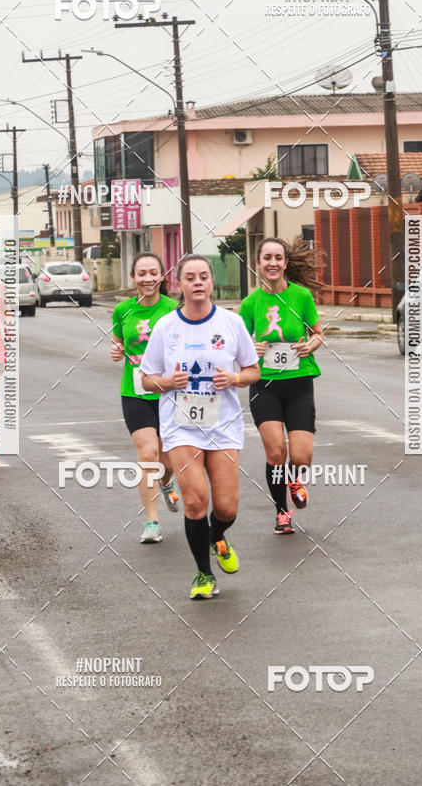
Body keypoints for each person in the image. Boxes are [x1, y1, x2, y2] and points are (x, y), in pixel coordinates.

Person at [140, 254, 260, 599]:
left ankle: (217, 534)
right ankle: (204, 575)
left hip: (223, 425)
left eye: (203, 276)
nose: (197, 282)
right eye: (189, 277)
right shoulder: (166, 327)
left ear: (211, 283)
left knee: (226, 508)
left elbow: (253, 370)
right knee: (195, 502)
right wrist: (167, 380)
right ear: (178, 284)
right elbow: (146, 380)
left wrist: (234, 378)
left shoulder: (231, 323)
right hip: (182, 426)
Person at [239, 237, 324, 535]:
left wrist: (309, 346)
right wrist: (253, 348)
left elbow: (317, 333)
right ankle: (281, 512)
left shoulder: (301, 296)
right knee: (275, 452)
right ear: (259, 263)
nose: (272, 262)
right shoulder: (250, 303)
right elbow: (239, 346)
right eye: (267, 257)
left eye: (278, 257)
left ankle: (294, 477)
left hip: (299, 383)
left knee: (301, 457)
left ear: (285, 263)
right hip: (265, 386)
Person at [111, 253, 178, 544]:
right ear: (133, 278)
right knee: (147, 454)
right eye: (142, 273)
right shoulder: (123, 310)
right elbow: (118, 341)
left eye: (153, 273)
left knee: (167, 458)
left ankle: (166, 483)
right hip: (135, 391)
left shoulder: (175, 309)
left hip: (169, 391)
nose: (148, 279)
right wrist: (116, 350)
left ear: (162, 276)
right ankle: (152, 521)